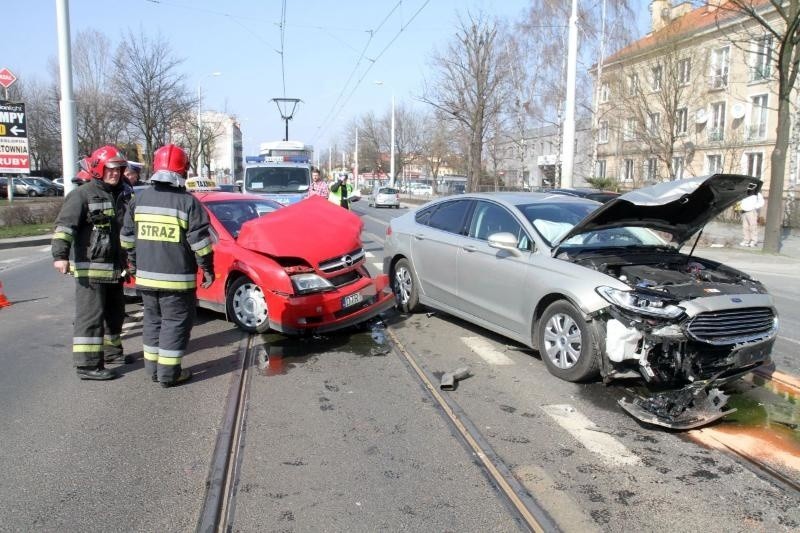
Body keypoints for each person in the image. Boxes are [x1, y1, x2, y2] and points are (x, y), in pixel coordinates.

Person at [120, 144, 214, 387]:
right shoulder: (188, 203)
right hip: (177, 280)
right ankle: (169, 375)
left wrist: (133, 263)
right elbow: (201, 244)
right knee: (174, 324)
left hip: (146, 279)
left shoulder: (138, 200)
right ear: (183, 171)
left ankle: (152, 370)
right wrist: (208, 269)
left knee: (153, 321)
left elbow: (127, 239)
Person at [52, 145, 132, 381]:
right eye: (111, 169)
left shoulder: (122, 194)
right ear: (98, 168)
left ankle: (112, 353)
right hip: (91, 269)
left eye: (119, 169)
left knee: (115, 315)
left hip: (116, 268)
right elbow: (65, 226)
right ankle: (87, 366)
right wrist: (60, 256)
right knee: (91, 317)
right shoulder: (82, 194)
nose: (115, 174)